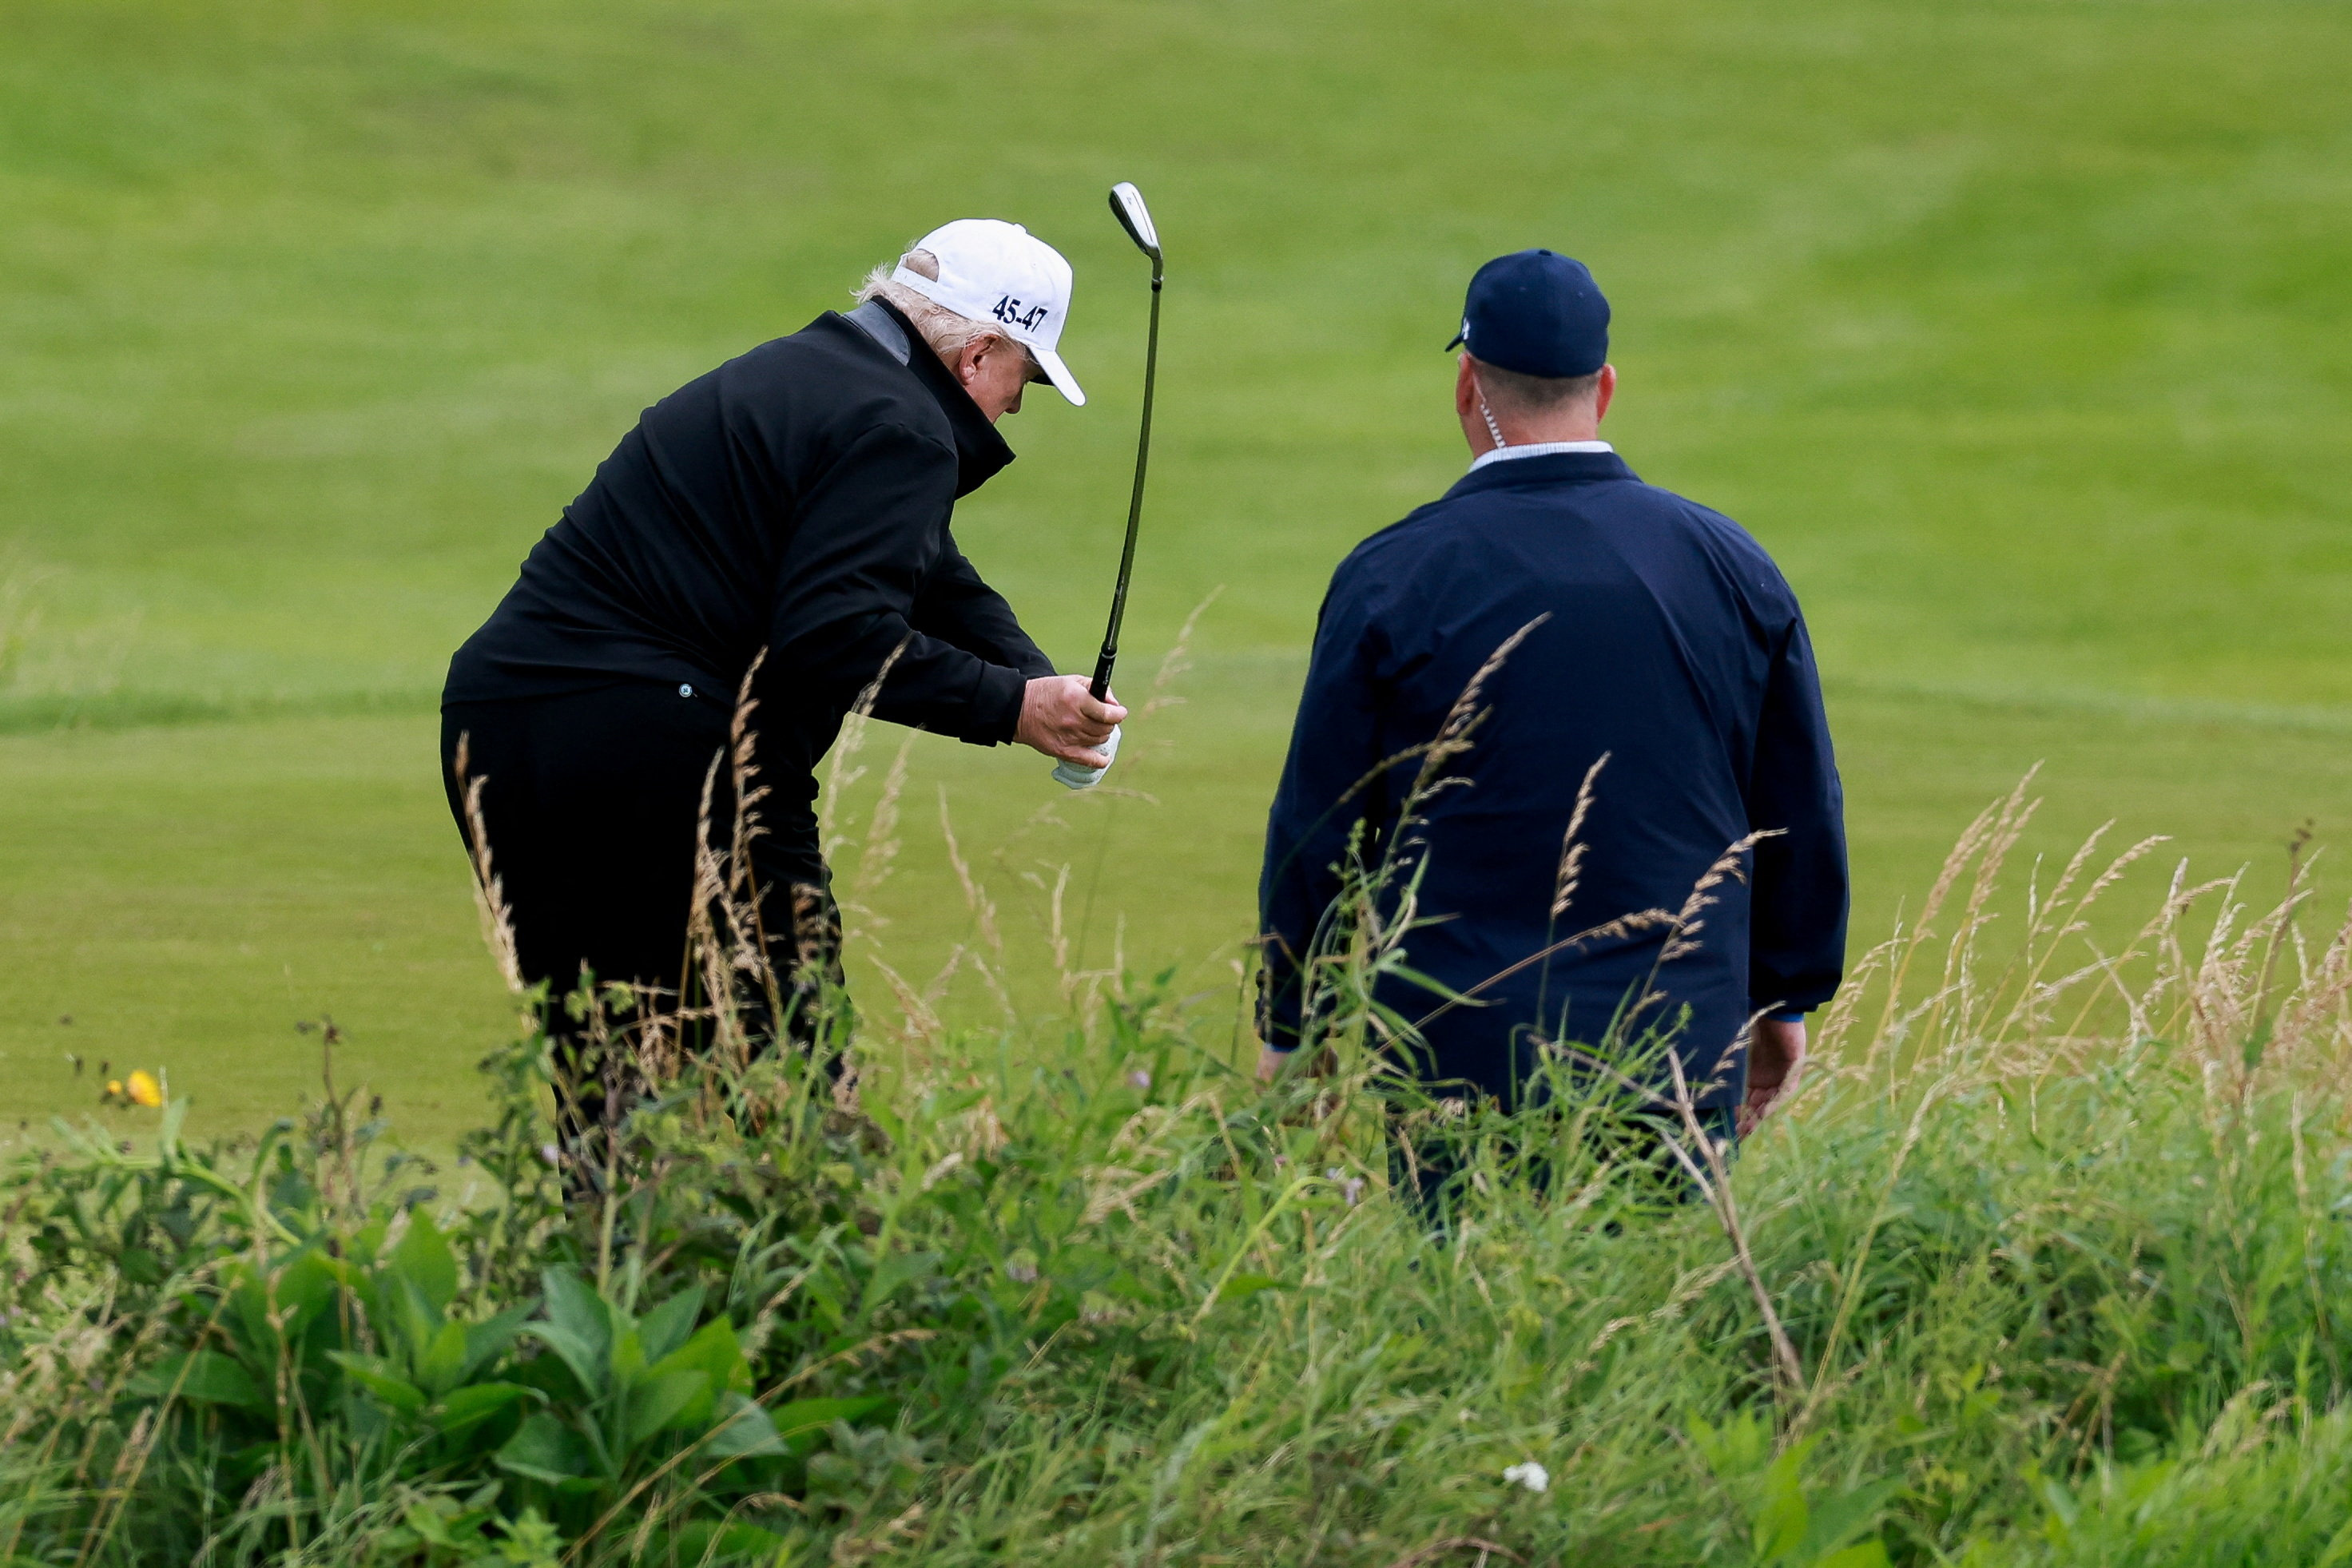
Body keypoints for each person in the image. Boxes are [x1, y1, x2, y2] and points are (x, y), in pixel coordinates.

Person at [441, 218, 1124, 1135]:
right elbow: (834, 637)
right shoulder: (903, 426)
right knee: (792, 1084)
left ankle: (616, 1273)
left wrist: (1043, 684)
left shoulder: (816, 372)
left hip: (505, 726)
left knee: (613, 1080)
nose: (1015, 404)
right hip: (652, 742)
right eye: (1023, 377)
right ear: (976, 355)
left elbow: (928, 572)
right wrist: (1011, 707)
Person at [1255, 248, 1847, 1173]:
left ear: (1466, 385)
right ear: (1603, 387)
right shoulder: (1732, 565)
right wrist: (1783, 1002)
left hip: (1452, 1052)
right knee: (1652, 1313)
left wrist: (1298, 1025)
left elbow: (1322, 826)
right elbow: (1798, 810)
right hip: (1674, 1051)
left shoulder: (1391, 575)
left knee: (1464, 1308)